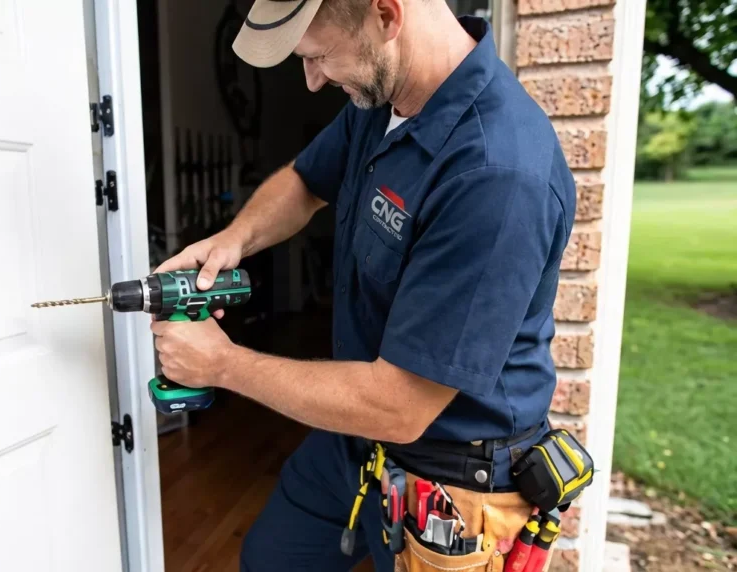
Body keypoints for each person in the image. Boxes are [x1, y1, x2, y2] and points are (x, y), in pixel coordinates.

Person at [150, 0, 577, 569]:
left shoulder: (498, 175)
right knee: (271, 559)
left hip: (454, 485)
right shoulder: (384, 96)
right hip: (355, 443)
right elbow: (306, 179)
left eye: (320, 55)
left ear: (386, 14)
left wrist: (220, 365)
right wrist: (235, 239)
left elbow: (399, 407)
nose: (312, 79)